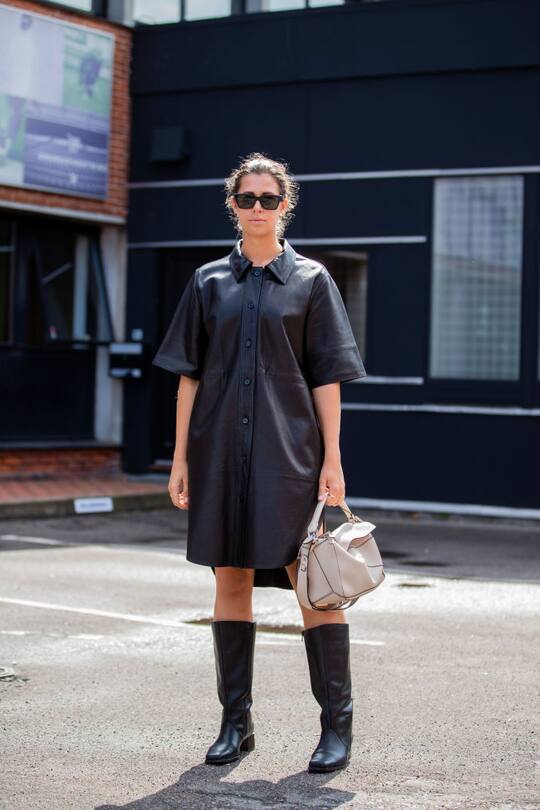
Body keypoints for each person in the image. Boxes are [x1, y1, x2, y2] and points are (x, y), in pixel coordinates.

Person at [152, 152, 367, 774]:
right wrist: (180, 460)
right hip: (219, 452)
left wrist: (333, 457)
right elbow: (187, 378)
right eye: (246, 198)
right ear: (233, 205)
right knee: (231, 581)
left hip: (291, 456)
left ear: (285, 205)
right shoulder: (207, 281)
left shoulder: (313, 281)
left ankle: (335, 729)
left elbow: (328, 378)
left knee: (314, 585)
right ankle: (235, 723)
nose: (256, 208)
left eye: (268, 198)